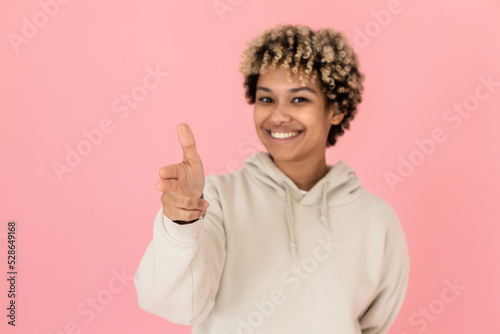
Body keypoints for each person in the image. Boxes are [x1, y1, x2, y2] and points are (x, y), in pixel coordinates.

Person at [134, 23, 410, 334]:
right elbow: (176, 305)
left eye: (299, 99)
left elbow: (373, 326)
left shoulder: (376, 219)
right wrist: (181, 224)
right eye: (266, 99)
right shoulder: (216, 199)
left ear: (336, 110)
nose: (278, 116)